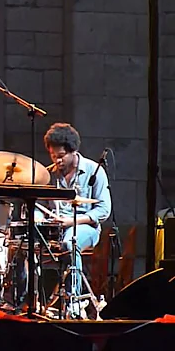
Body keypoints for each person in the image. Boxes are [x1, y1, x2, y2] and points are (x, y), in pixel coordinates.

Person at [42, 122, 111, 314]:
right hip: (55, 227)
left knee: (70, 241)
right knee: (21, 242)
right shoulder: (49, 175)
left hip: (85, 227)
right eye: (53, 156)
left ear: (73, 151)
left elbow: (104, 210)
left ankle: (74, 299)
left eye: (61, 156)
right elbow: (41, 206)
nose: (57, 161)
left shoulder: (94, 171)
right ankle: (27, 299)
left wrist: (72, 222)